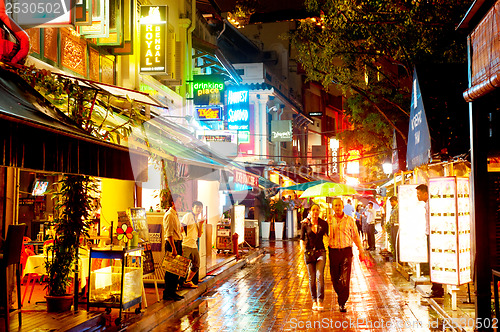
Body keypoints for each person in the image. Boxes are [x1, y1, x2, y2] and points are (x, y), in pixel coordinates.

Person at [329, 198, 365, 313]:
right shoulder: (329, 220)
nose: (337, 208)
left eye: (339, 205)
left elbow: (355, 236)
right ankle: (340, 294)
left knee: (345, 278)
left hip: (346, 252)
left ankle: (342, 302)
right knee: (335, 278)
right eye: (335, 206)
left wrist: (361, 250)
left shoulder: (349, 220)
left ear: (343, 206)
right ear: (332, 207)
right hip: (333, 252)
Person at [416, 184, 444, 298]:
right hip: (430, 235)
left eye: (419, 194)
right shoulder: (427, 204)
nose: (417, 196)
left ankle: (437, 289)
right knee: (432, 262)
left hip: (434, 236)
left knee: (434, 262)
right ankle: (436, 288)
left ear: (425, 194)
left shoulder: (431, 205)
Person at [300, 204, 328, 310]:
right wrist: (303, 251)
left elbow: (328, 236)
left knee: (319, 275)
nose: (315, 212)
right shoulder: (305, 224)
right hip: (309, 253)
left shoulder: (324, 223)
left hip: (321, 252)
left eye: (317, 210)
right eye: (313, 210)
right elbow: (302, 239)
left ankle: (320, 301)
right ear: (310, 212)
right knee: (312, 278)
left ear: (319, 211)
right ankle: (314, 300)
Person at [162, 195, 184, 301]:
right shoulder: (169, 215)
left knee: (176, 270)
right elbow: (169, 234)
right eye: (179, 202)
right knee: (170, 270)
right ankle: (168, 293)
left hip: (177, 243)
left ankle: (173, 292)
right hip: (172, 244)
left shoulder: (175, 215)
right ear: (173, 203)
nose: (180, 204)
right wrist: (174, 248)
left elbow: (176, 231)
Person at [180, 201, 205, 289]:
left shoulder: (198, 219)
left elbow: (199, 235)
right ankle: (181, 283)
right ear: (192, 208)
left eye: (200, 208)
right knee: (184, 265)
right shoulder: (188, 216)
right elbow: (181, 227)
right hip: (186, 244)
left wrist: (201, 224)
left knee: (196, 264)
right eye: (196, 207)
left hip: (193, 244)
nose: (198, 209)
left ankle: (188, 280)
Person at [386, 196, 399, 261]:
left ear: (396, 201)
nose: (391, 203)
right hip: (392, 226)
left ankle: (398, 258)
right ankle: (395, 257)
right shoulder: (393, 208)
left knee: (397, 242)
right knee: (393, 242)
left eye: (392, 201)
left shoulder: (398, 208)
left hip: (396, 226)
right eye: (390, 201)